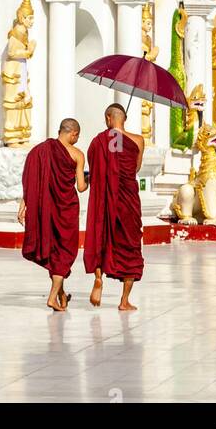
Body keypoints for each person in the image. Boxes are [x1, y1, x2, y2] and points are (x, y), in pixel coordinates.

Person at [18, 118, 87, 312]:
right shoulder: (77, 155)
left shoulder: (39, 150)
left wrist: (25, 204)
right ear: (73, 133)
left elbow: (31, 181)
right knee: (64, 253)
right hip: (67, 210)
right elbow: (81, 187)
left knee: (55, 252)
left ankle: (62, 295)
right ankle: (51, 298)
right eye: (77, 136)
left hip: (46, 209)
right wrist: (88, 180)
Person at [84, 103, 145, 311]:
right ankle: (124, 300)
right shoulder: (137, 140)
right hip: (128, 201)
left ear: (109, 118)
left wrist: (114, 137)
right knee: (130, 246)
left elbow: (104, 166)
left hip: (107, 199)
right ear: (124, 119)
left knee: (103, 234)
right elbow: (135, 168)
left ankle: (99, 278)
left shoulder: (106, 139)